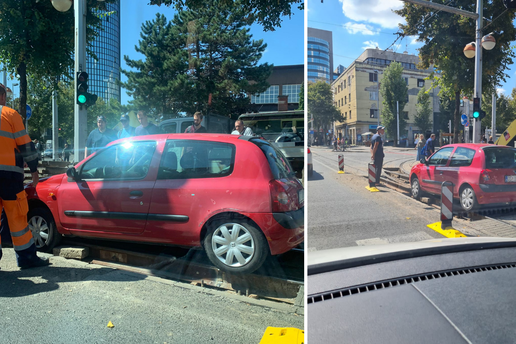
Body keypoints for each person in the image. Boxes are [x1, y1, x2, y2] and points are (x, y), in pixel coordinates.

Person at [0, 84, 50, 269]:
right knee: (18, 218)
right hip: (10, 177)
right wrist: (35, 172)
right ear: (3, 97)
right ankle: (27, 259)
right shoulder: (10, 114)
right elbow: (26, 146)